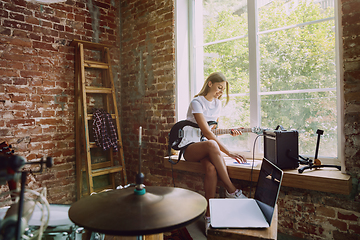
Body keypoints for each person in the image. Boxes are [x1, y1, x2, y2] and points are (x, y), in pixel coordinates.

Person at [183, 72, 247, 235]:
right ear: (210, 84)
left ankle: (208, 217)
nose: (220, 91)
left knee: (211, 170)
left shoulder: (218, 104)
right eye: (219, 87)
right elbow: (206, 132)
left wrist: (229, 132)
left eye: (223, 89)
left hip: (206, 146)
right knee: (211, 144)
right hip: (190, 148)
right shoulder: (197, 102)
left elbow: (213, 131)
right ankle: (231, 190)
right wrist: (229, 152)